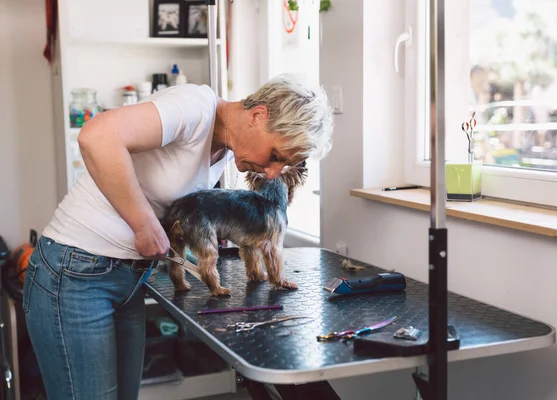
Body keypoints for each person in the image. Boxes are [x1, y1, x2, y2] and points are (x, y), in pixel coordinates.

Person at [23, 73, 334, 400]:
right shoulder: (194, 107)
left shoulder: (227, 149)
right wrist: (144, 225)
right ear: (257, 116)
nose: (271, 173)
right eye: (275, 156)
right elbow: (96, 136)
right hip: (76, 274)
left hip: (127, 278)